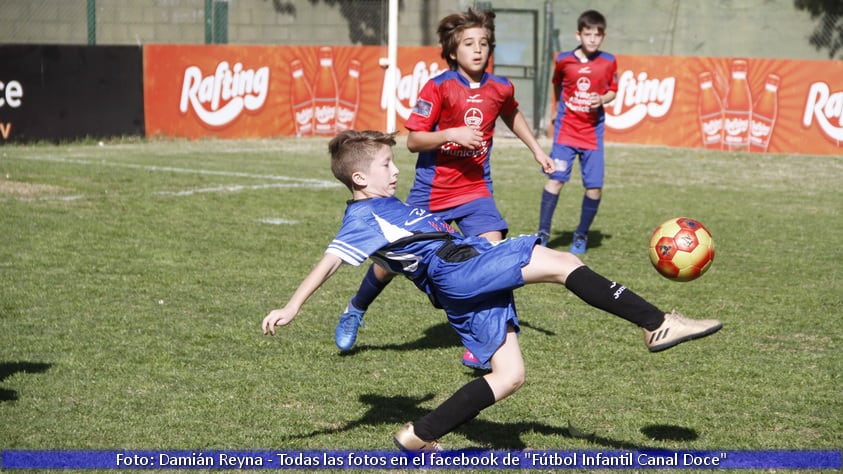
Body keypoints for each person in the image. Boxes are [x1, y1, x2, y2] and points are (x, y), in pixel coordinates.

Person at [262, 130, 723, 451]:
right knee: (565, 264)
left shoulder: (384, 204)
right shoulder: (362, 219)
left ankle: (416, 436)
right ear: (360, 178)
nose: (395, 171)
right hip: (458, 270)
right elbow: (330, 260)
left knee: (509, 376)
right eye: (386, 165)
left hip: (456, 281)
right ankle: (657, 323)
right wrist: (292, 305)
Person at [334, 7, 555, 371]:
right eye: (469, 43)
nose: (478, 49)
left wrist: (537, 150)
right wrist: (451, 134)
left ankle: (482, 342)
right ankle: (355, 308)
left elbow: (511, 112)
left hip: (474, 190)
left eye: (484, 42)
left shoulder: (499, 87)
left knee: (493, 256)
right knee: (391, 264)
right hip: (430, 194)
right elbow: (414, 141)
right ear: (453, 51)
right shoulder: (438, 87)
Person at [537, 10, 617, 254]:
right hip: (566, 132)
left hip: (592, 134)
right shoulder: (563, 60)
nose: (592, 39)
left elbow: (614, 90)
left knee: (594, 188)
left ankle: (581, 235)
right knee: (556, 181)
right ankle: (542, 233)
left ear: (603, 36)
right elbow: (558, 85)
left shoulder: (608, 61)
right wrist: (556, 110)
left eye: (597, 35)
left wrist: (602, 98)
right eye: (588, 34)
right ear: (579, 34)